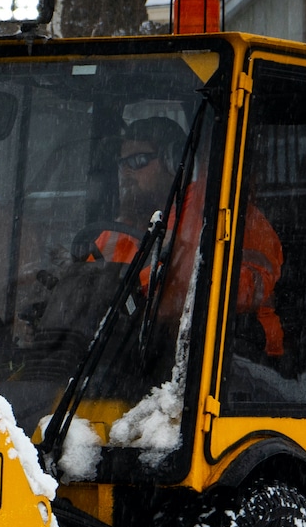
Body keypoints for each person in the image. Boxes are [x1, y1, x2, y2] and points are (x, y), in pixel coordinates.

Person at [79, 117, 287, 357]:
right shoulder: (117, 232)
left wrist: (164, 269)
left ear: (173, 161)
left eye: (138, 161)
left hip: (237, 359)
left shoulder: (222, 214)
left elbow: (247, 289)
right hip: (140, 355)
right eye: (122, 163)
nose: (126, 172)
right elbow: (90, 289)